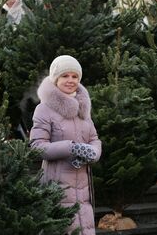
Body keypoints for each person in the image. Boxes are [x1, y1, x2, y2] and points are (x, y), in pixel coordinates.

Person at [29, 55, 102, 235]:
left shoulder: (83, 107)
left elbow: (94, 138)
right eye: (65, 76)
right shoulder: (44, 108)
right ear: (56, 78)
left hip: (83, 191)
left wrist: (93, 152)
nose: (70, 80)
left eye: (74, 76)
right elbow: (37, 146)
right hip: (57, 188)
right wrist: (71, 148)